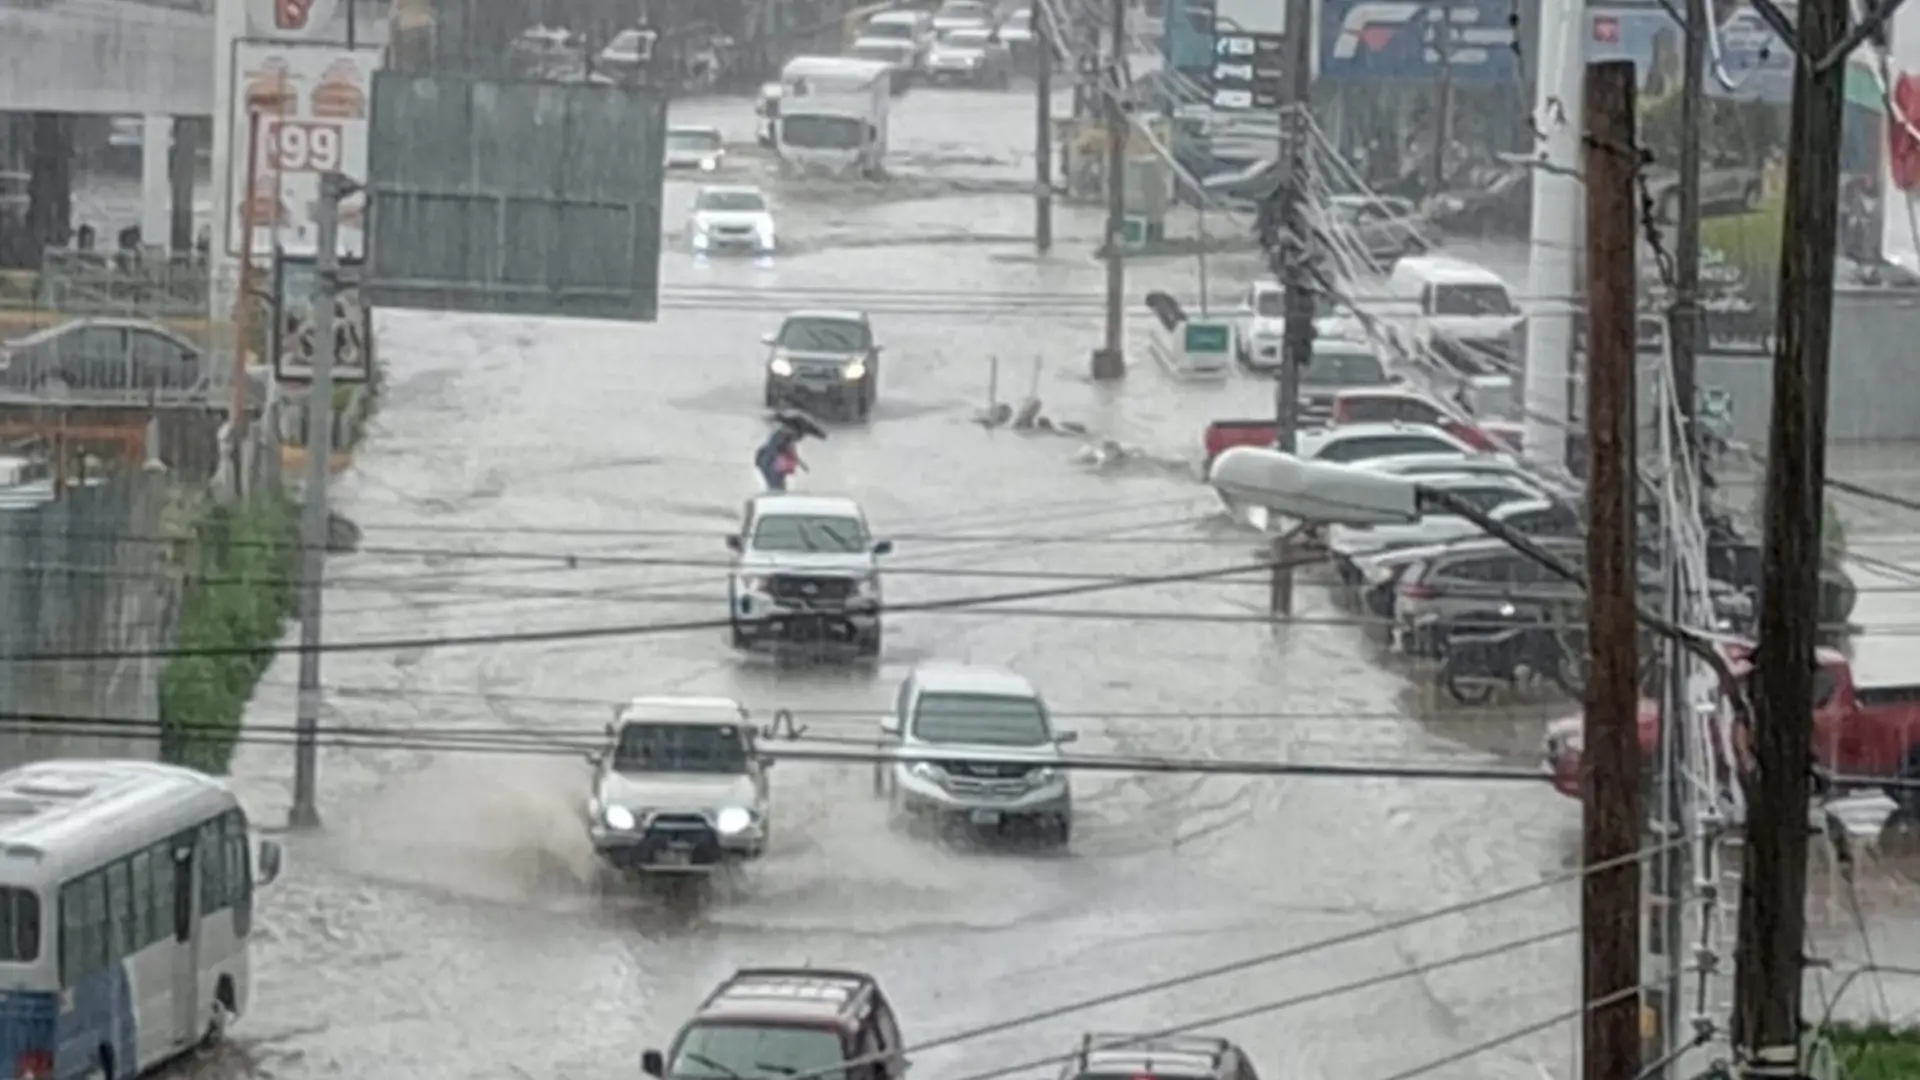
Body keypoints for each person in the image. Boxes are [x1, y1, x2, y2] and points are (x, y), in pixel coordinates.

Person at [754, 422, 807, 491]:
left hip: (768, 462)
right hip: (770, 463)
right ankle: (776, 495)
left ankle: (776, 494)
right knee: (776, 485)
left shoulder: (781, 436)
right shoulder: (781, 437)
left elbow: (789, 452)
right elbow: (784, 452)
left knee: (776, 485)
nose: (796, 439)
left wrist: (801, 464)